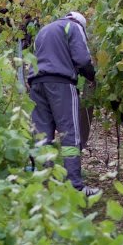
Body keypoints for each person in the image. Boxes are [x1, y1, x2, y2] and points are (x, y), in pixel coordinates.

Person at [27, 11, 97, 196]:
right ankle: (75, 186)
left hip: (36, 84)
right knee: (70, 135)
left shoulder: (44, 30)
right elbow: (82, 59)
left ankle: (44, 185)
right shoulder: (74, 27)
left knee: (42, 135)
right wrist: (92, 75)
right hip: (61, 84)